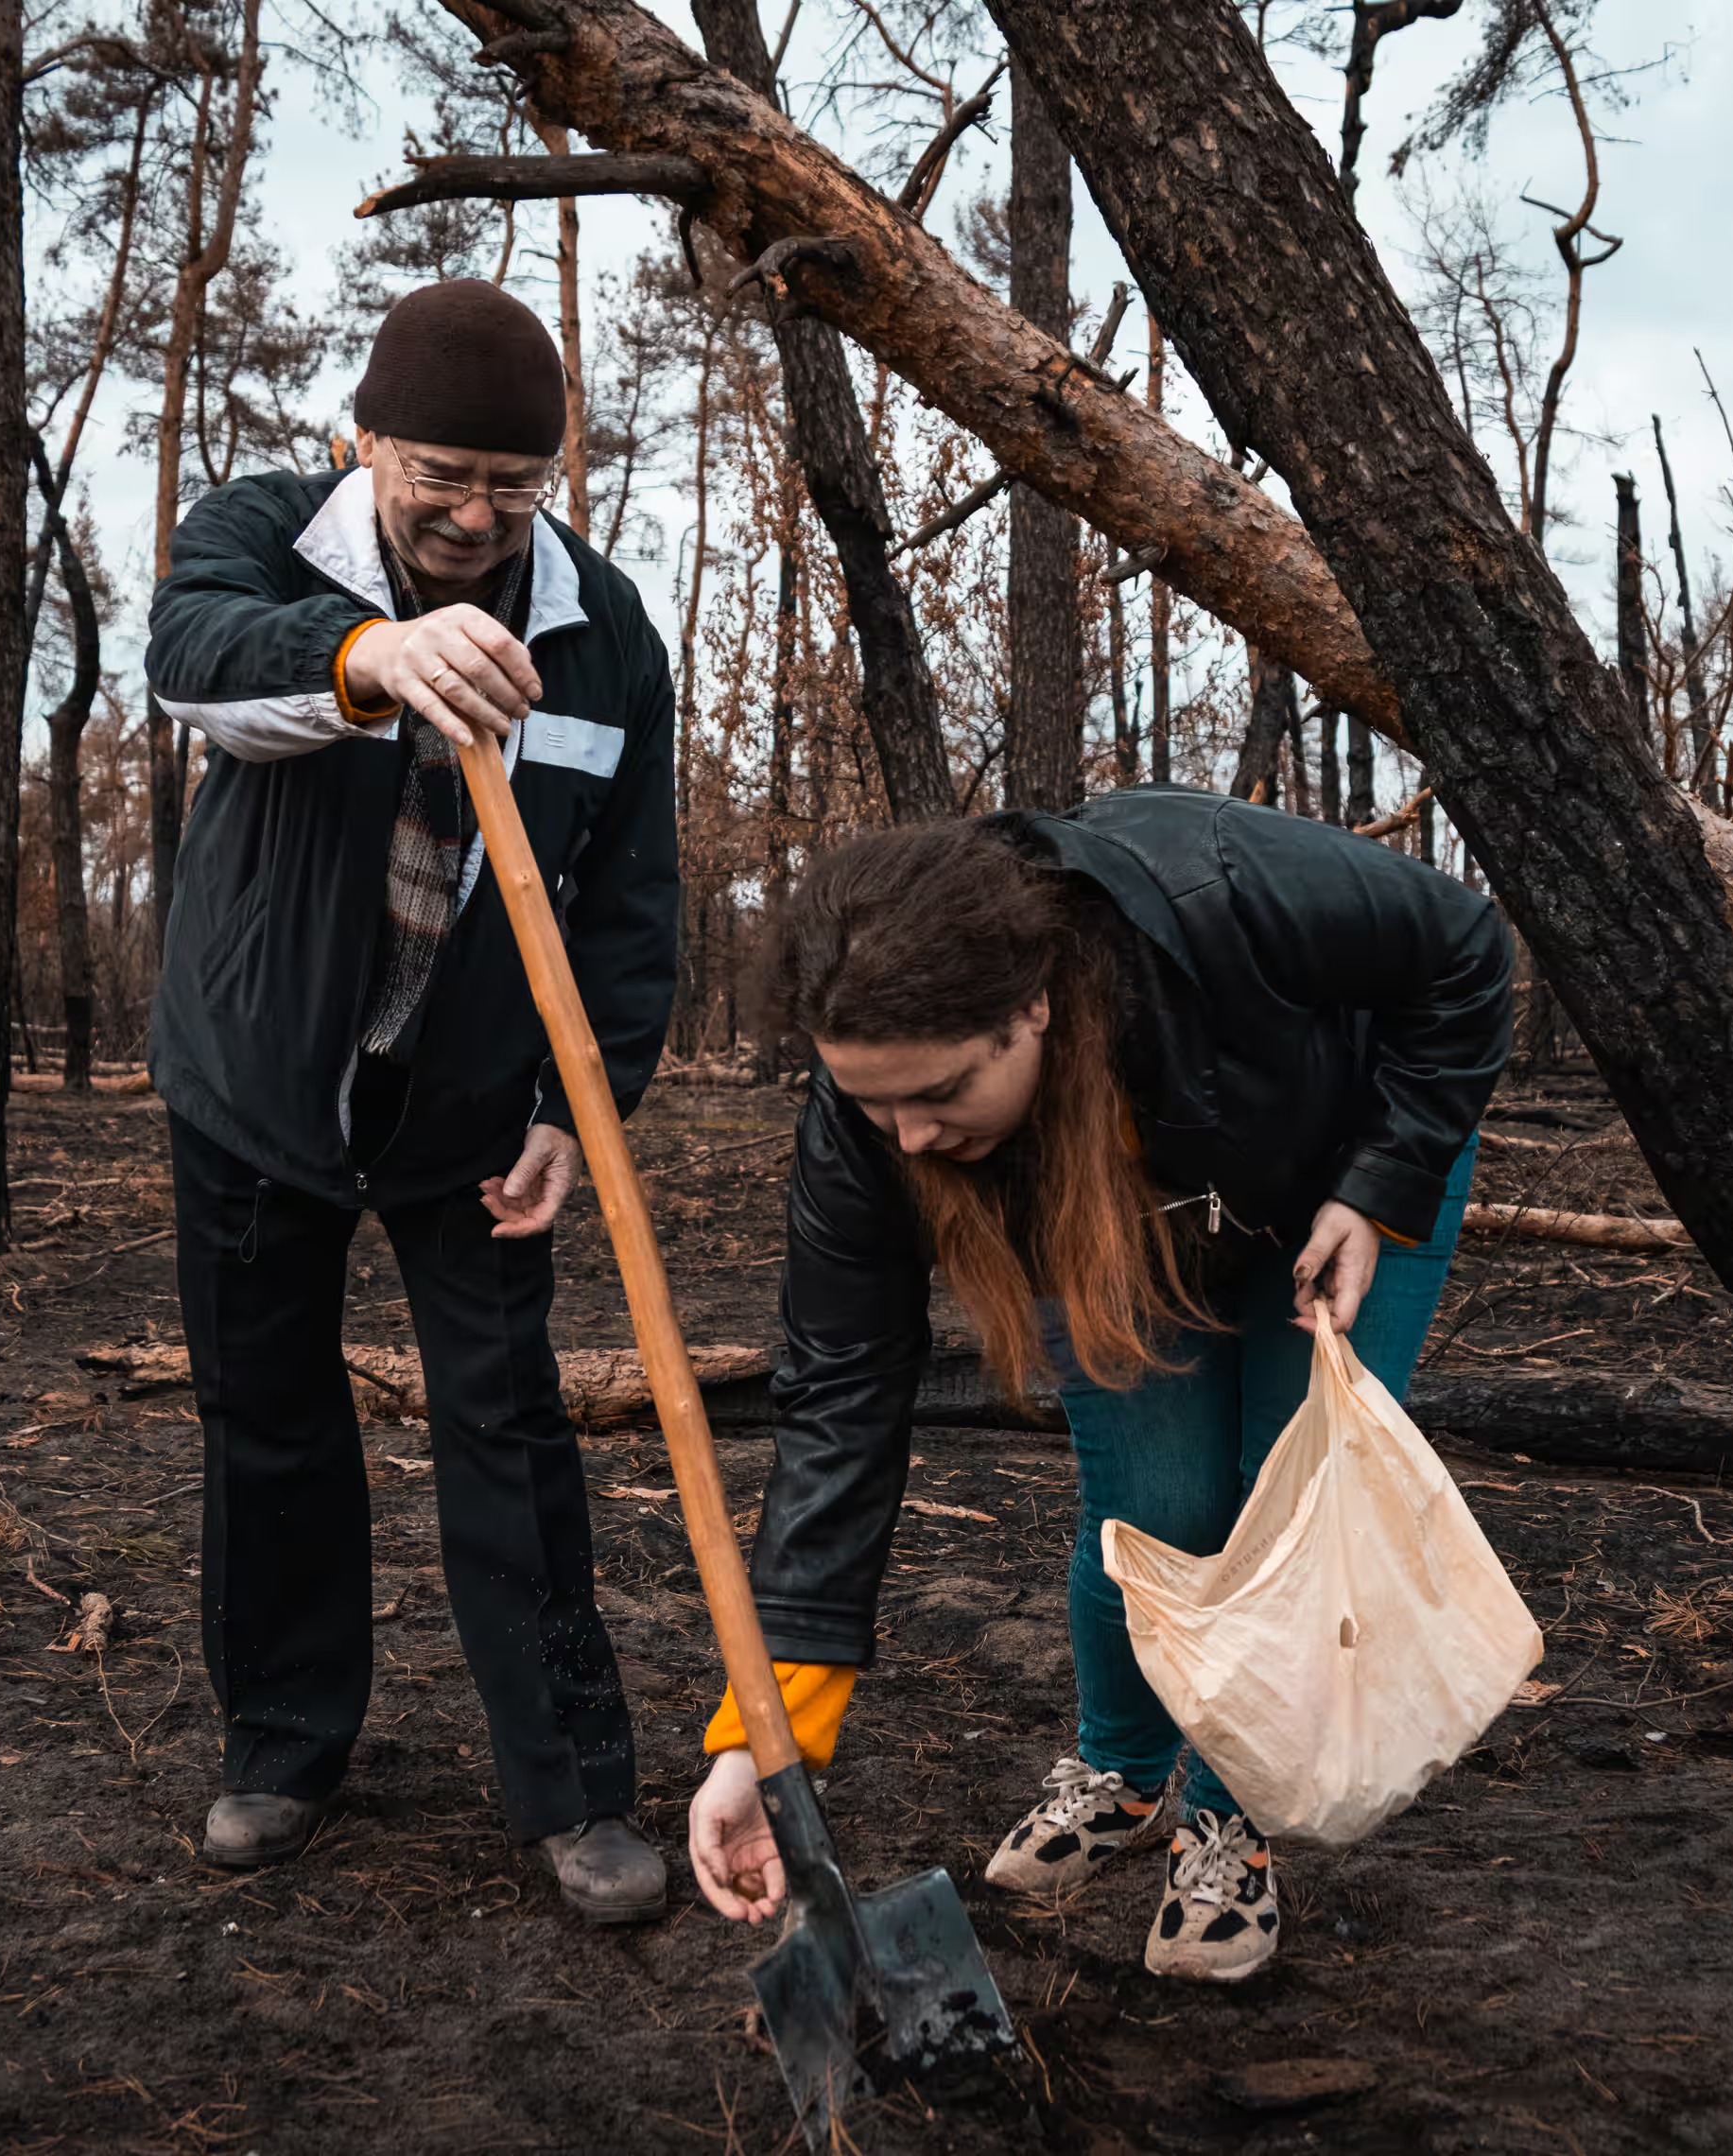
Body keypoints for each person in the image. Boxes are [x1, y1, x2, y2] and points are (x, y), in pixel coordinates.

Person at [685, 794, 1511, 1981]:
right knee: (1151, 1502)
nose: (907, 1140)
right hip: (1110, 1207)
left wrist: (1382, 1181)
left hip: (1339, 1163)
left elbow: (1465, 949)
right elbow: (839, 1401)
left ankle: (1228, 1820)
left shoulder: (1216, 894)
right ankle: (1120, 1775)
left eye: (940, 1095)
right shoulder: (877, 1131)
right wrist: (763, 1743)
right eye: (874, 1105)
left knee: (1276, 1508)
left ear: (1035, 1007)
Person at [143, 279, 681, 1925]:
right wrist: (371, 656)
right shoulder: (266, 539)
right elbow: (190, 665)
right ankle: (284, 1746)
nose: (473, 513)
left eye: (511, 484)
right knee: (271, 1416)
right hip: (256, 1078)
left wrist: (578, 1116)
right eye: (440, 471)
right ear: (365, 440)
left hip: (467, 1109)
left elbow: (633, 905)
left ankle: (575, 1793)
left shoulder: (602, 631)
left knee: (508, 1428)